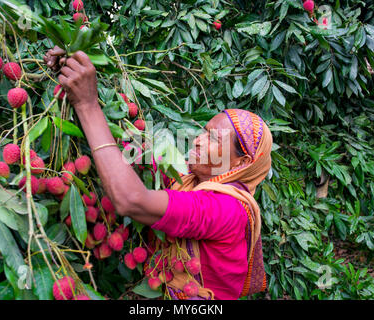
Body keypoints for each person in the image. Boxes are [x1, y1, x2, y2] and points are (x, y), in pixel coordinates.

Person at [43, 47, 273, 300]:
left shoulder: (228, 209)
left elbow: (131, 198)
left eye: (213, 138)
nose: (197, 140)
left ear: (243, 161)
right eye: (204, 131)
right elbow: (133, 157)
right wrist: (73, 71)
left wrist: (87, 105)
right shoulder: (185, 179)